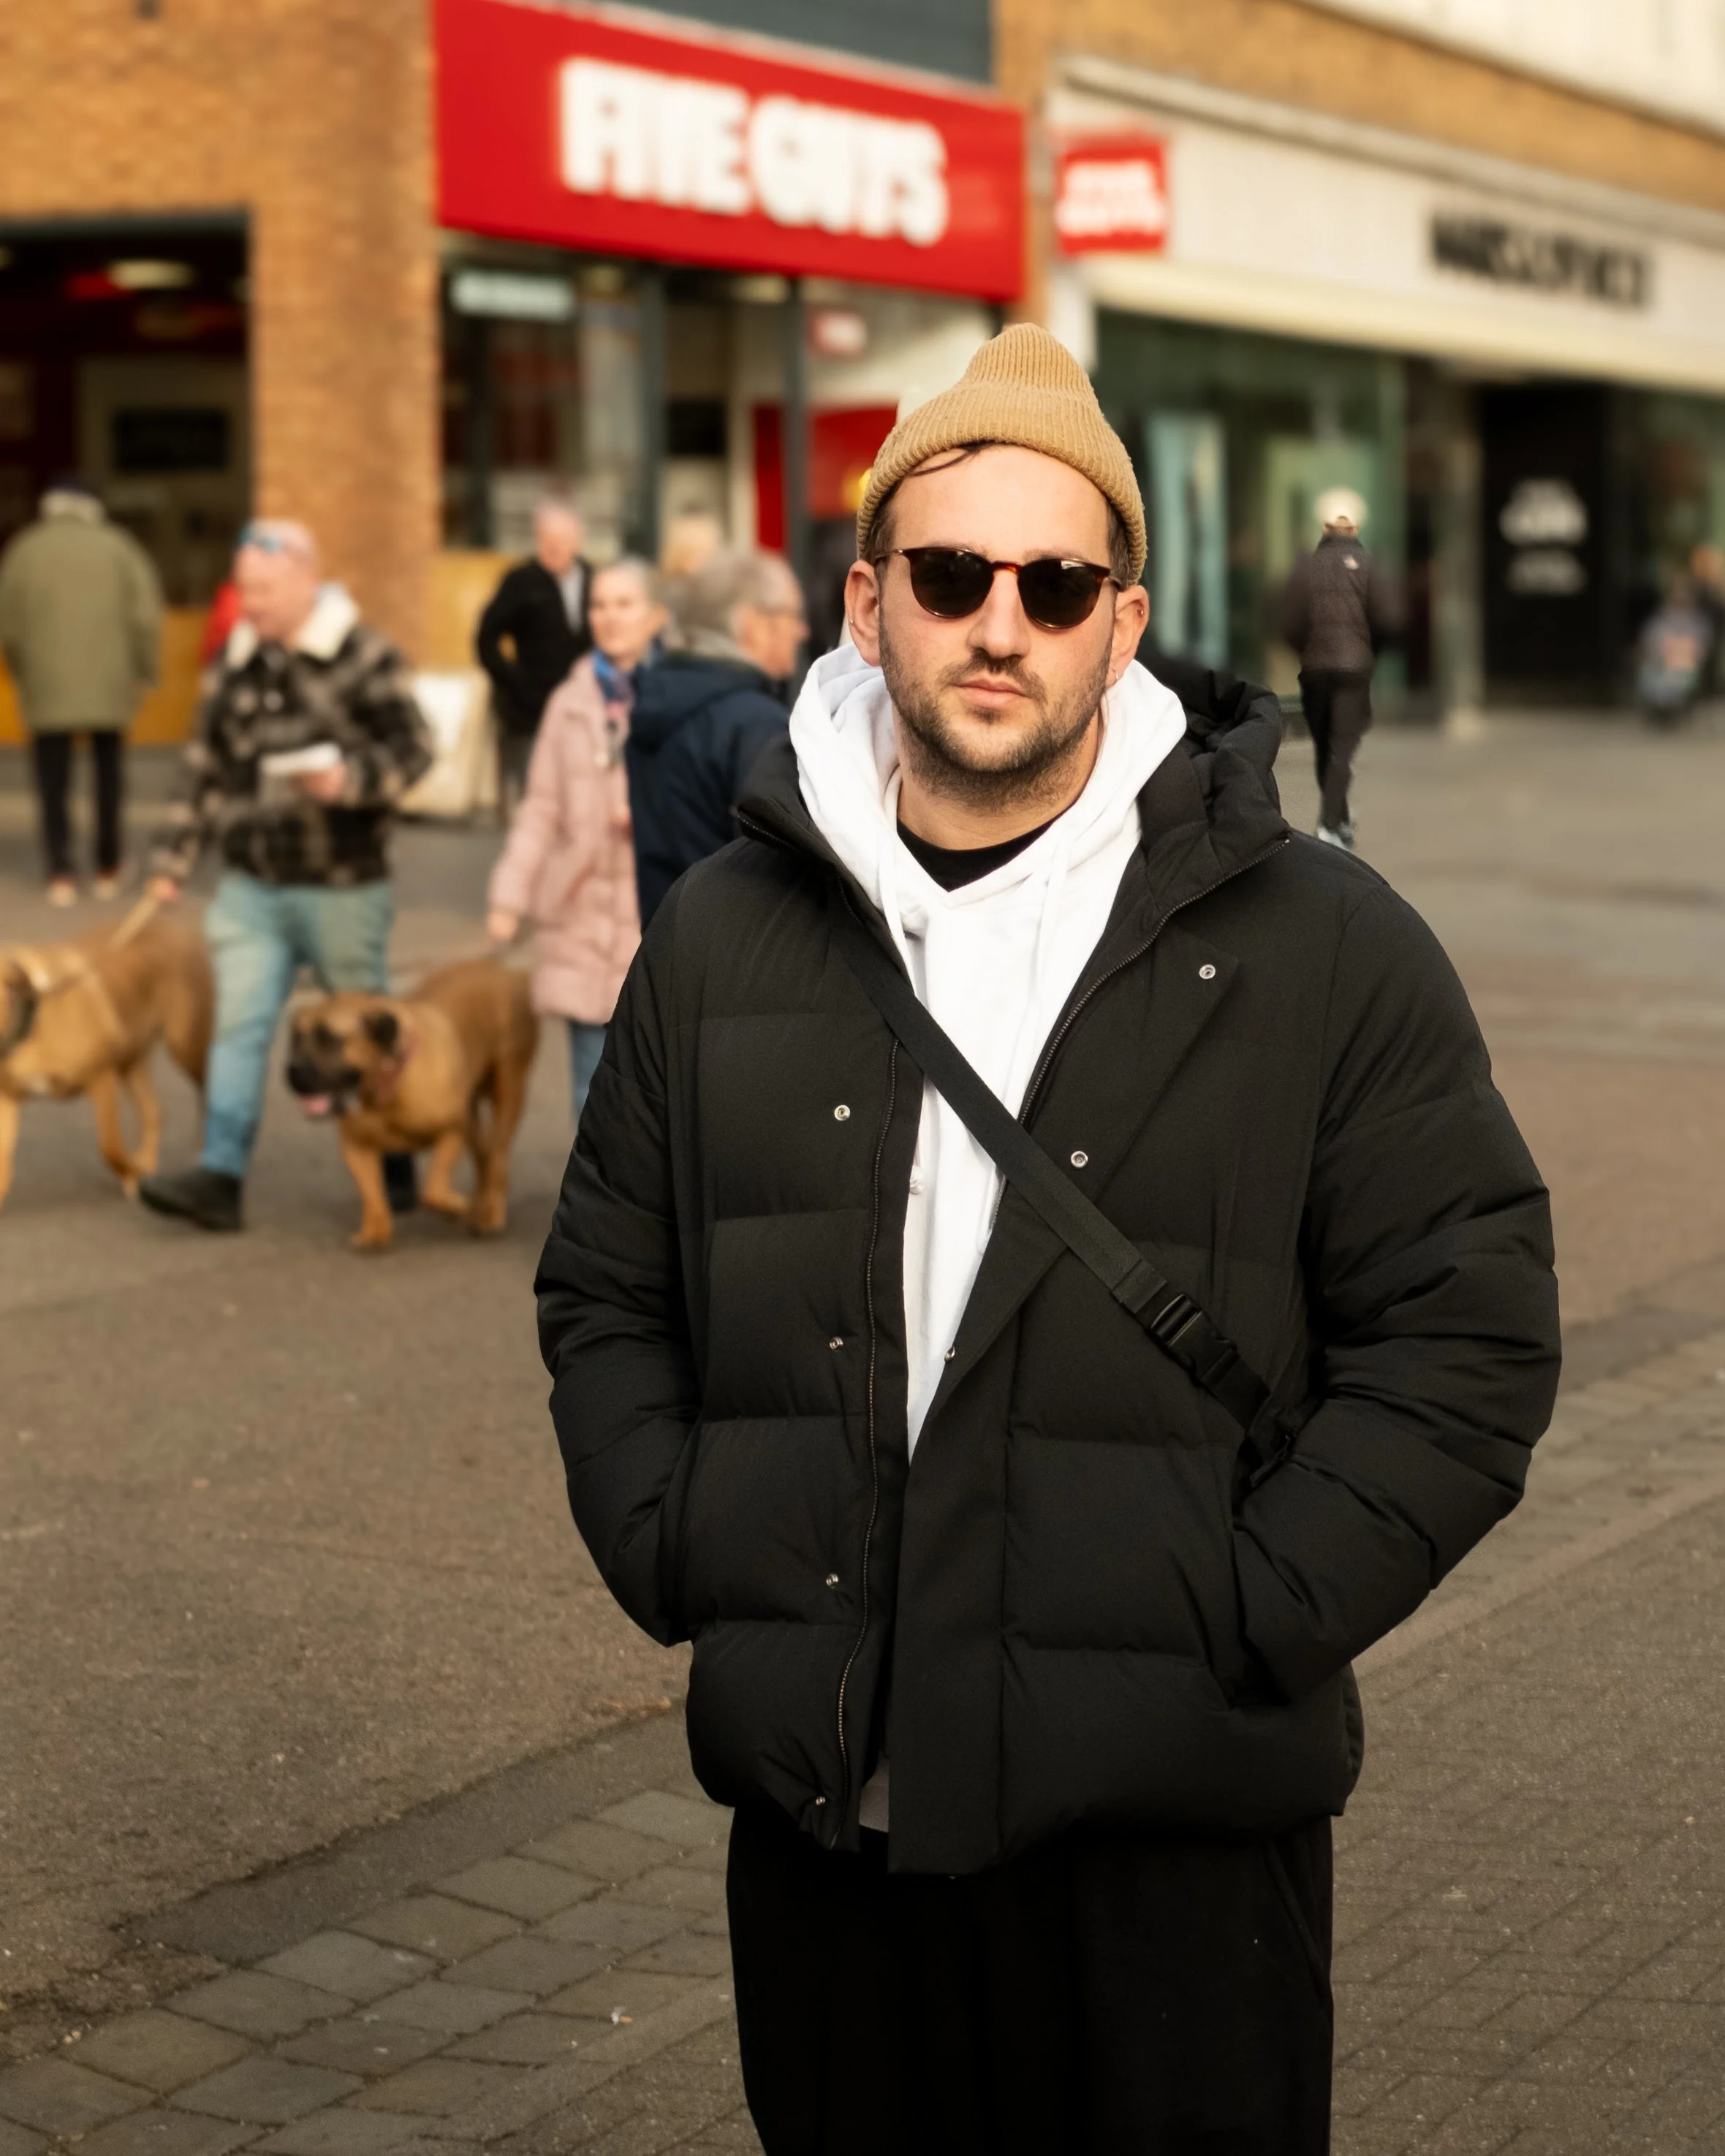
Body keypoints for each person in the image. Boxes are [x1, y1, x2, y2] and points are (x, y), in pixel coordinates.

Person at [535, 324, 1561, 2155]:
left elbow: (1466, 1331)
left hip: (1171, 1839)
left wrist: (1257, 1606)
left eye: (1054, 578)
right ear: (866, 603)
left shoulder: (1322, 942)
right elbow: (609, 1286)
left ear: (1121, 616)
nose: (998, 620)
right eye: (950, 572)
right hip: (831, 1817)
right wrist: (679, 1536)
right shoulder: (719, 938)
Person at [137, 520, 432, 1233]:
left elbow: (416, 747)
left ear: (307, 579)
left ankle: (395, 1159)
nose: (251, 604)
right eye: (244, 590)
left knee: (367, 1028)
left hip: (342, 883)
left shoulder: (363, 653)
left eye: (264, 590)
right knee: (236, 1029)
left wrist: (351, 780)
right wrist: (172, 863)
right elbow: (203, 768)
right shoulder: (234, 661)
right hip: (251, 885)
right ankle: (220, 1173)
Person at [486, 558, 663, 1122]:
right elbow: (540, 807)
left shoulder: (677, 696)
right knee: (591, 1096)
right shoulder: (569, 704)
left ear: (655, 616)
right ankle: (594, 1210)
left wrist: (647, 815)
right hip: (581, 920)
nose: (608, 618)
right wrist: (509, 898)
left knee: (661, 1093)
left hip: (655, 917)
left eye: (623, 604)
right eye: (598, 606)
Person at [0, 474, 162, 904]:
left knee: (52, 781)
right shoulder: (120, 548)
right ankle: (108, 867)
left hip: (46, 684)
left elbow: (8, 623)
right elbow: (145, 616)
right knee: (108, 778)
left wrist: (21, 670)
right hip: (110, 685)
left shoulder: (25, 549)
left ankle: (61, 872)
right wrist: (146, 671)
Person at [625, 547, 805, 924]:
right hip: (735, 955)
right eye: (791, 615)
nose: (801, 630)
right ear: (752, 624)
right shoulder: (755, 724)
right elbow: (783, 871)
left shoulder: (656, 700)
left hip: (666, 947)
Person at [1278, 486, 1401, 852]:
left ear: (1324, 524)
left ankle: (1338, 818)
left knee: (1325, 746)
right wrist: (1368, 652)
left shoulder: (1306, 566)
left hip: (1315, 669)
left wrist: (1306, 650)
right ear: (1357, 525)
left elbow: (1288, 620)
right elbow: (1390, 619)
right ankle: (1331, 824)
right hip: (1353, 671)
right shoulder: (1370, 566)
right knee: (1342, 748)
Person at [475, 498, 593, 804]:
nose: (555, 548)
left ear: (577, 541)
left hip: (584, 708)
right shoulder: (520, 582)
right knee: (538, 797)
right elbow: (486, 639)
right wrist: (514, 682)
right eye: (547, 540)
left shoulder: (593, 579)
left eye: (563, 540)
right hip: (532, 712)